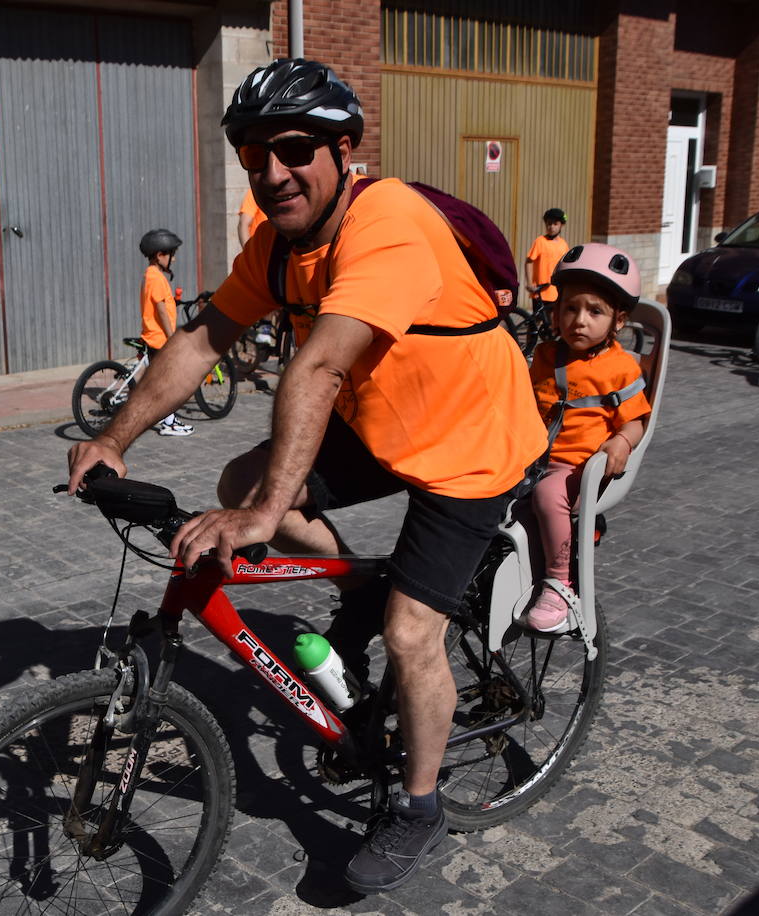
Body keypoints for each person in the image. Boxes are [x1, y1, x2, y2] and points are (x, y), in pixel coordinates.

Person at [67, 58, 547, 894]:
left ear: (344, 149)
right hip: (385, 423)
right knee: (239, 478)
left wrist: (264, 515)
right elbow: (201, 342)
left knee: (410, 636)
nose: (274, 174)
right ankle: (361, 588)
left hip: (470, 440)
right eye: (255, 158)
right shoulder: (280, 244)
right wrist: (114, 438)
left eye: (293, 150)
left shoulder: (387, 221)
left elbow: (320, 368)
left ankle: (420, 808)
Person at [524, 243, 652, 632]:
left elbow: (636, 421)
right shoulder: (545, 355)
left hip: (576, 469)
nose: (580, 320)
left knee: (548, 495)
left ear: (619, 321)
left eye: (595, 311)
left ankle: (560, 582)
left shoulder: (620, 369)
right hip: (532, 458)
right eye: (571, 308)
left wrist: (621, 441)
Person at [139, 228, 194, 437]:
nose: (174, 258)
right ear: (160, 255)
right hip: (158, 339)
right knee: (169, 381)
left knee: (163, 381)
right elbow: (161, 309)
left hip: (155, 337)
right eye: (171, 254)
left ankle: (168, 420)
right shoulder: (155, 277)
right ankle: (168, 423)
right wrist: (172, 338)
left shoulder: (153, 275)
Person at [236, 190, 276, 347]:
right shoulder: (254, 194)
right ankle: (265, 329)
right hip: (261, 253)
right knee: (269, 288)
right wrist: (249, 253)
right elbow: (243, 224)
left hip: (279, 249)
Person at [524, 207, 568, 314]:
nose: (551, 227)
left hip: (556, 290)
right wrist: (530, 283)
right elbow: (529, 261)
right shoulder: (540, 242)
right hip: (541, 290)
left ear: (561, 225)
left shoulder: (564, 245)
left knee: (553, 321)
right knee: (538, 321)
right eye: (549, 224)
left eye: (555, 224)